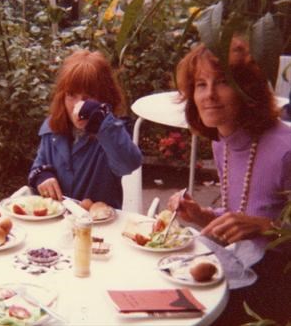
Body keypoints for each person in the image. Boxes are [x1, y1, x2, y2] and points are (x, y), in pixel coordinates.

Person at [170, 37, 291, 324]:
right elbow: (245, 212)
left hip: (277, 287)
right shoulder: (222, 141)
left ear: (247, 90)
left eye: (222, 82)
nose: (209, 94)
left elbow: (259, 223)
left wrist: (268, 228)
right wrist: (203, 216)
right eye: (201, 84)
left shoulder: (285, 149)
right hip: (244, 269)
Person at [28, 49, 142, 209]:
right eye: (71, 95)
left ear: (104, 97)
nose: (77, 105)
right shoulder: (52, 128)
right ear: (62, 96)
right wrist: (43, 176)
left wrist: (103, 124)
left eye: (87, 98)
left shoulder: (112, 131)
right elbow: (39, 165)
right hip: (58, 222)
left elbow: (128, 164)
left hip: (99, 225)